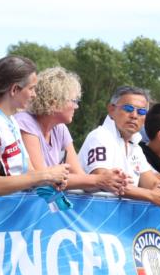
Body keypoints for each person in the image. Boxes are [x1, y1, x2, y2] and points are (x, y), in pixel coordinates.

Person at [18, 67, 127, 195]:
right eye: (74, 101)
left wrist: (113, 180)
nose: (77, 106)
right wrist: (99, 180)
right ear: (54, 103)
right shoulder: (25, 122)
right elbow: (42, 178)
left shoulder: (60, 129)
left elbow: (80, 177)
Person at [0, 56, 68, 197]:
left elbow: (28, 172)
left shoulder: (11, 121)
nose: (34, 95)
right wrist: (45, 175)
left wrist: (51, 180)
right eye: (32, 89)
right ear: (14, 89)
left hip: (12, 211)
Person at [78, 86, 160, 208]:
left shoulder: (135, 146)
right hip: (92, 218)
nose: (134, 115)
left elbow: (152, 184)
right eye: (128, 108)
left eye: (141, 111)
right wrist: (152, 196)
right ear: (111, 110)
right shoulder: (100, 137)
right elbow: (105, 182)